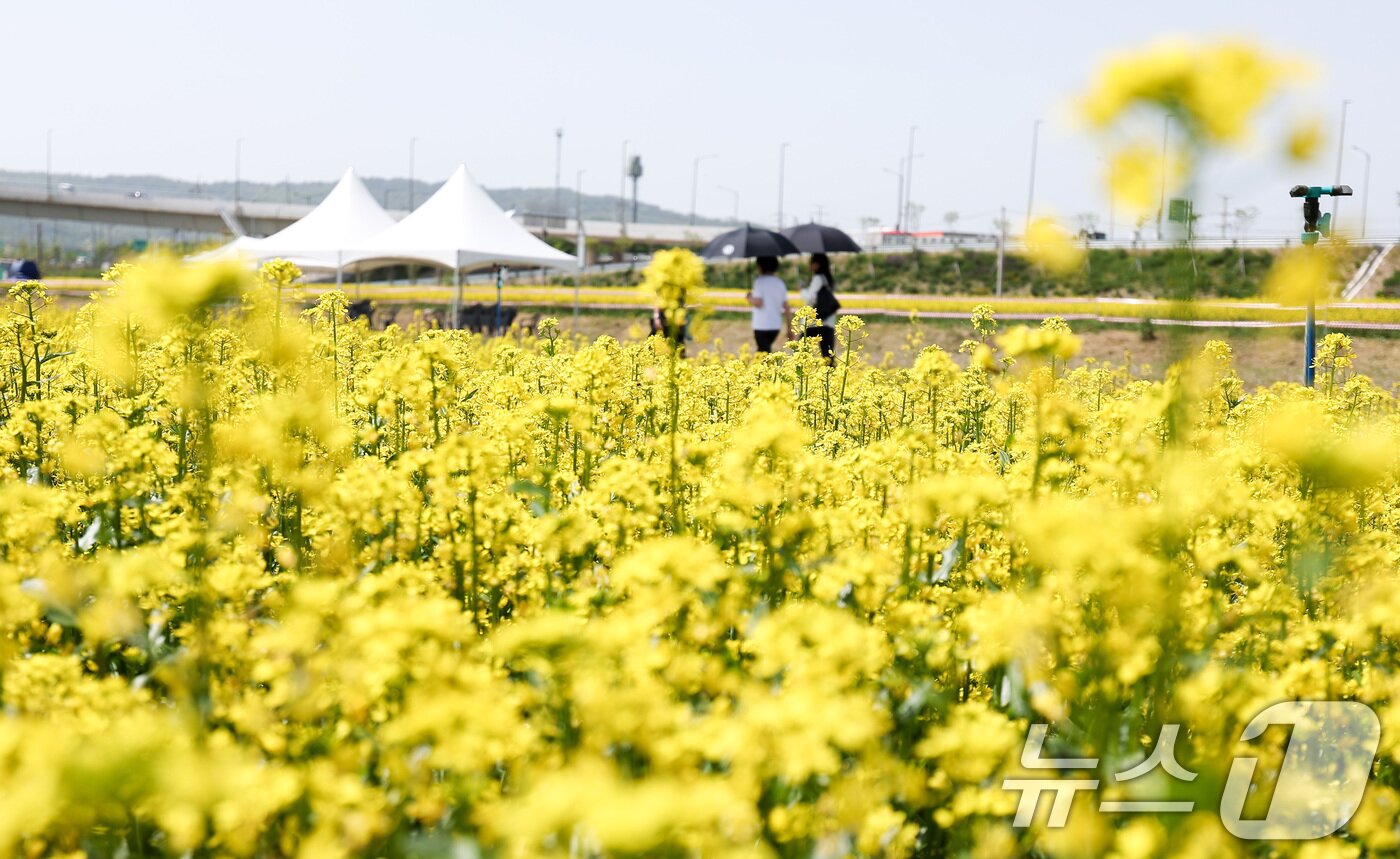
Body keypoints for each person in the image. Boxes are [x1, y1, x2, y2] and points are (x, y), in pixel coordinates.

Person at [799, 253, 840, 360]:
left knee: (799, 353)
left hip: (814, 323)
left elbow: (810, 299)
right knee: (828, 357)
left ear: (817, 264)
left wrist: (802, 290)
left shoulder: (818, 278)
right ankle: (831, 376)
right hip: (828, 322)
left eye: (811, 263)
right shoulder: (828, 279)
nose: (810, 266)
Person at [747, 256, 789, 353]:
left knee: (763, 353)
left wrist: (749, 298)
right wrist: (789, 327)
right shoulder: (780, 283)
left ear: (760, 267)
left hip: (761, 325)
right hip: (775, 326)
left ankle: (767, 368)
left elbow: (758, 303)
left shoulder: (759, 281)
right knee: (765, 350)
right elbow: (786, 307)